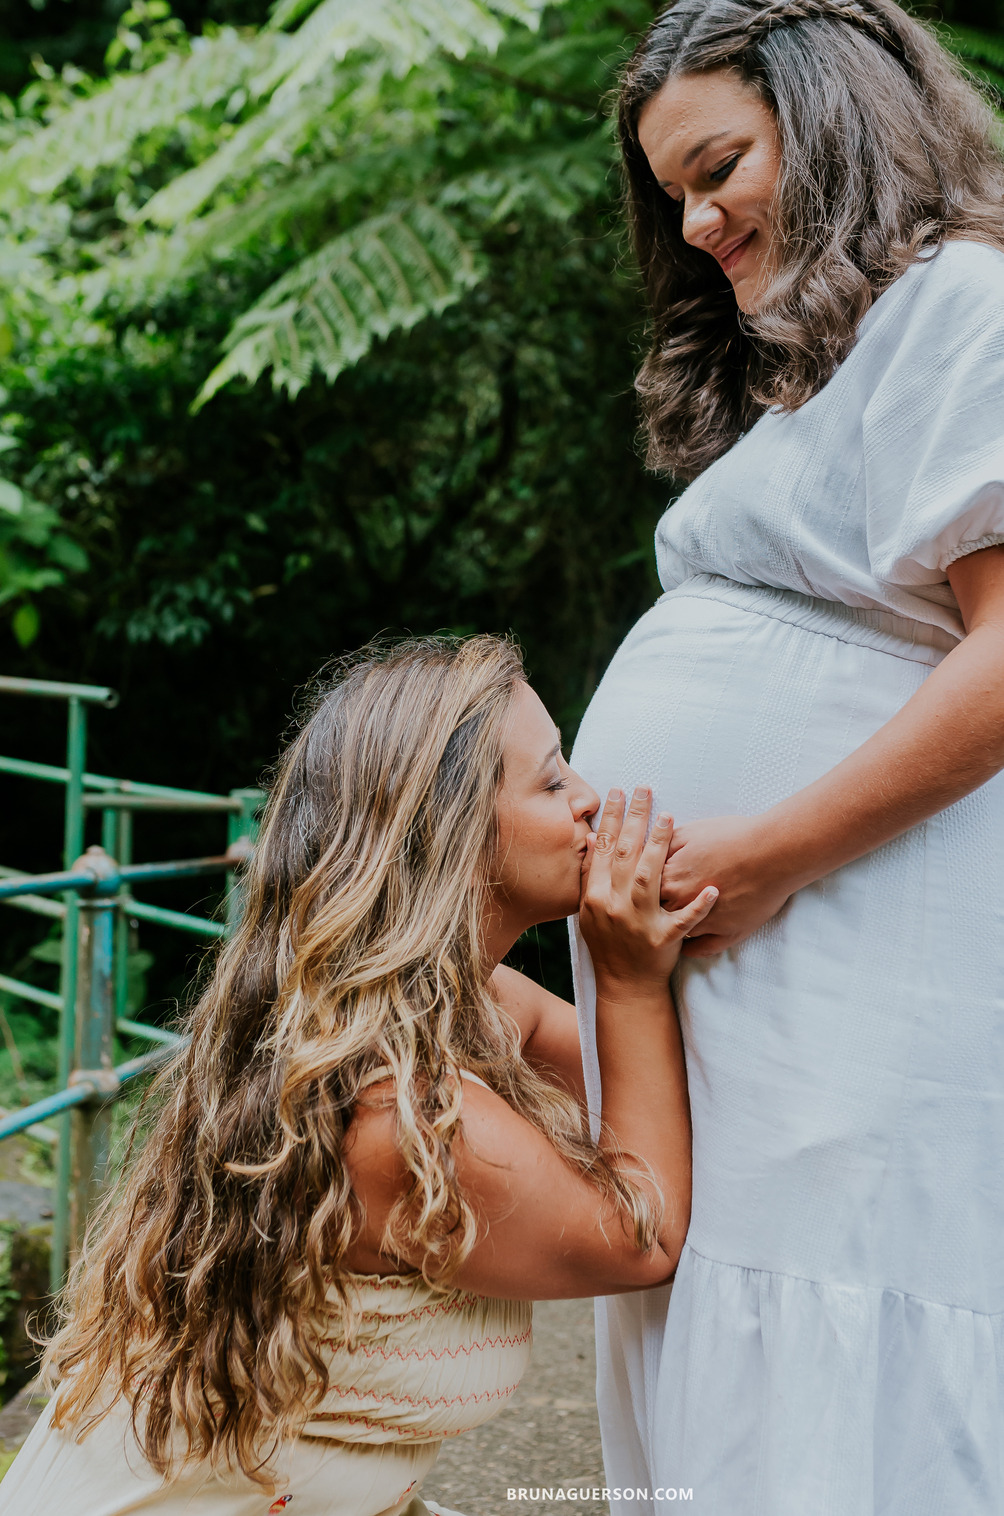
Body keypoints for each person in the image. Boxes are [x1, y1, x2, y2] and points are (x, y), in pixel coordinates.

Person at [567, 0, 1004, 1514]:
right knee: (747, 1367)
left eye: (719, 169)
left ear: (831, 114)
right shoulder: (836, 362)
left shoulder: (968, 306)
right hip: (778, 965)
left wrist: (762, 854)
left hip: (854, 947)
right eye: (674, 197)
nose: (698, 224)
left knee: (839, 1360)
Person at [1, 636, 714, 1516]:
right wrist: (630, 982)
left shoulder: (465, 1005)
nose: (590, 800)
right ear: (451, 835)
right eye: (551, 780)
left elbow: (679, 1086)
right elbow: (644, 1236)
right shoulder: (399, 1114)